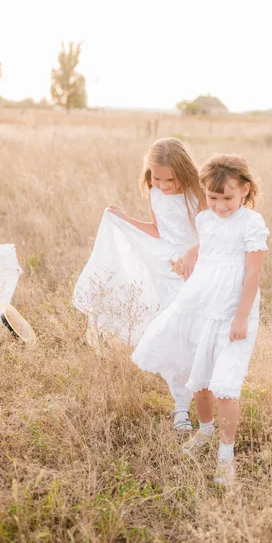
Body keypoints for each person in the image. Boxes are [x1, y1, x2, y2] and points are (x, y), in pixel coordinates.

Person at [132, 154, 269, 484]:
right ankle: (205, 432)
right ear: (204, 193)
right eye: (213, 197)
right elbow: (206, 250)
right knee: (200, 377)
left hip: (234, 312)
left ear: (245, 190)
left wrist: (241, 317)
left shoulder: (252, 224)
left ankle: (226, 454)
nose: (220, 206)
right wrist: (189, 258)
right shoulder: (206, 220)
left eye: (228, 198)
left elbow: (252, 274)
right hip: (201, 301)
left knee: (226, 385)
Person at [73, 137, 206, 431]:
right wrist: (125, 220)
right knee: (172, 333)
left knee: (197, 335)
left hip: (197, 266)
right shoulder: (155, 193)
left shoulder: (198, 193)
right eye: (155, 178)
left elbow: (210, 234)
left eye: (168, 179)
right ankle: (181, 405)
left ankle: (206, 399)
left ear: (183, 171)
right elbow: (159, 230)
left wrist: (190, 254)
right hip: (166, 267)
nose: (161, 185)